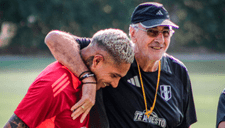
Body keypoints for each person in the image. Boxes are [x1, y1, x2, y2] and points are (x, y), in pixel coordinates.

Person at [45, 2, 197, 128]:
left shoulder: (179, 72)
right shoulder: (114, 56)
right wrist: (88, 79)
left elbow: (184, 125)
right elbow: (54, 39)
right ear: (132, 33)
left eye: (166, 32)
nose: (160, 39)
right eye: (152, 32)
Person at [3, 28, 134, 128]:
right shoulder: (54, 84)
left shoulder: (95, 78)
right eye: (114, 76)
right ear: (97, 61)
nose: (115, 84)